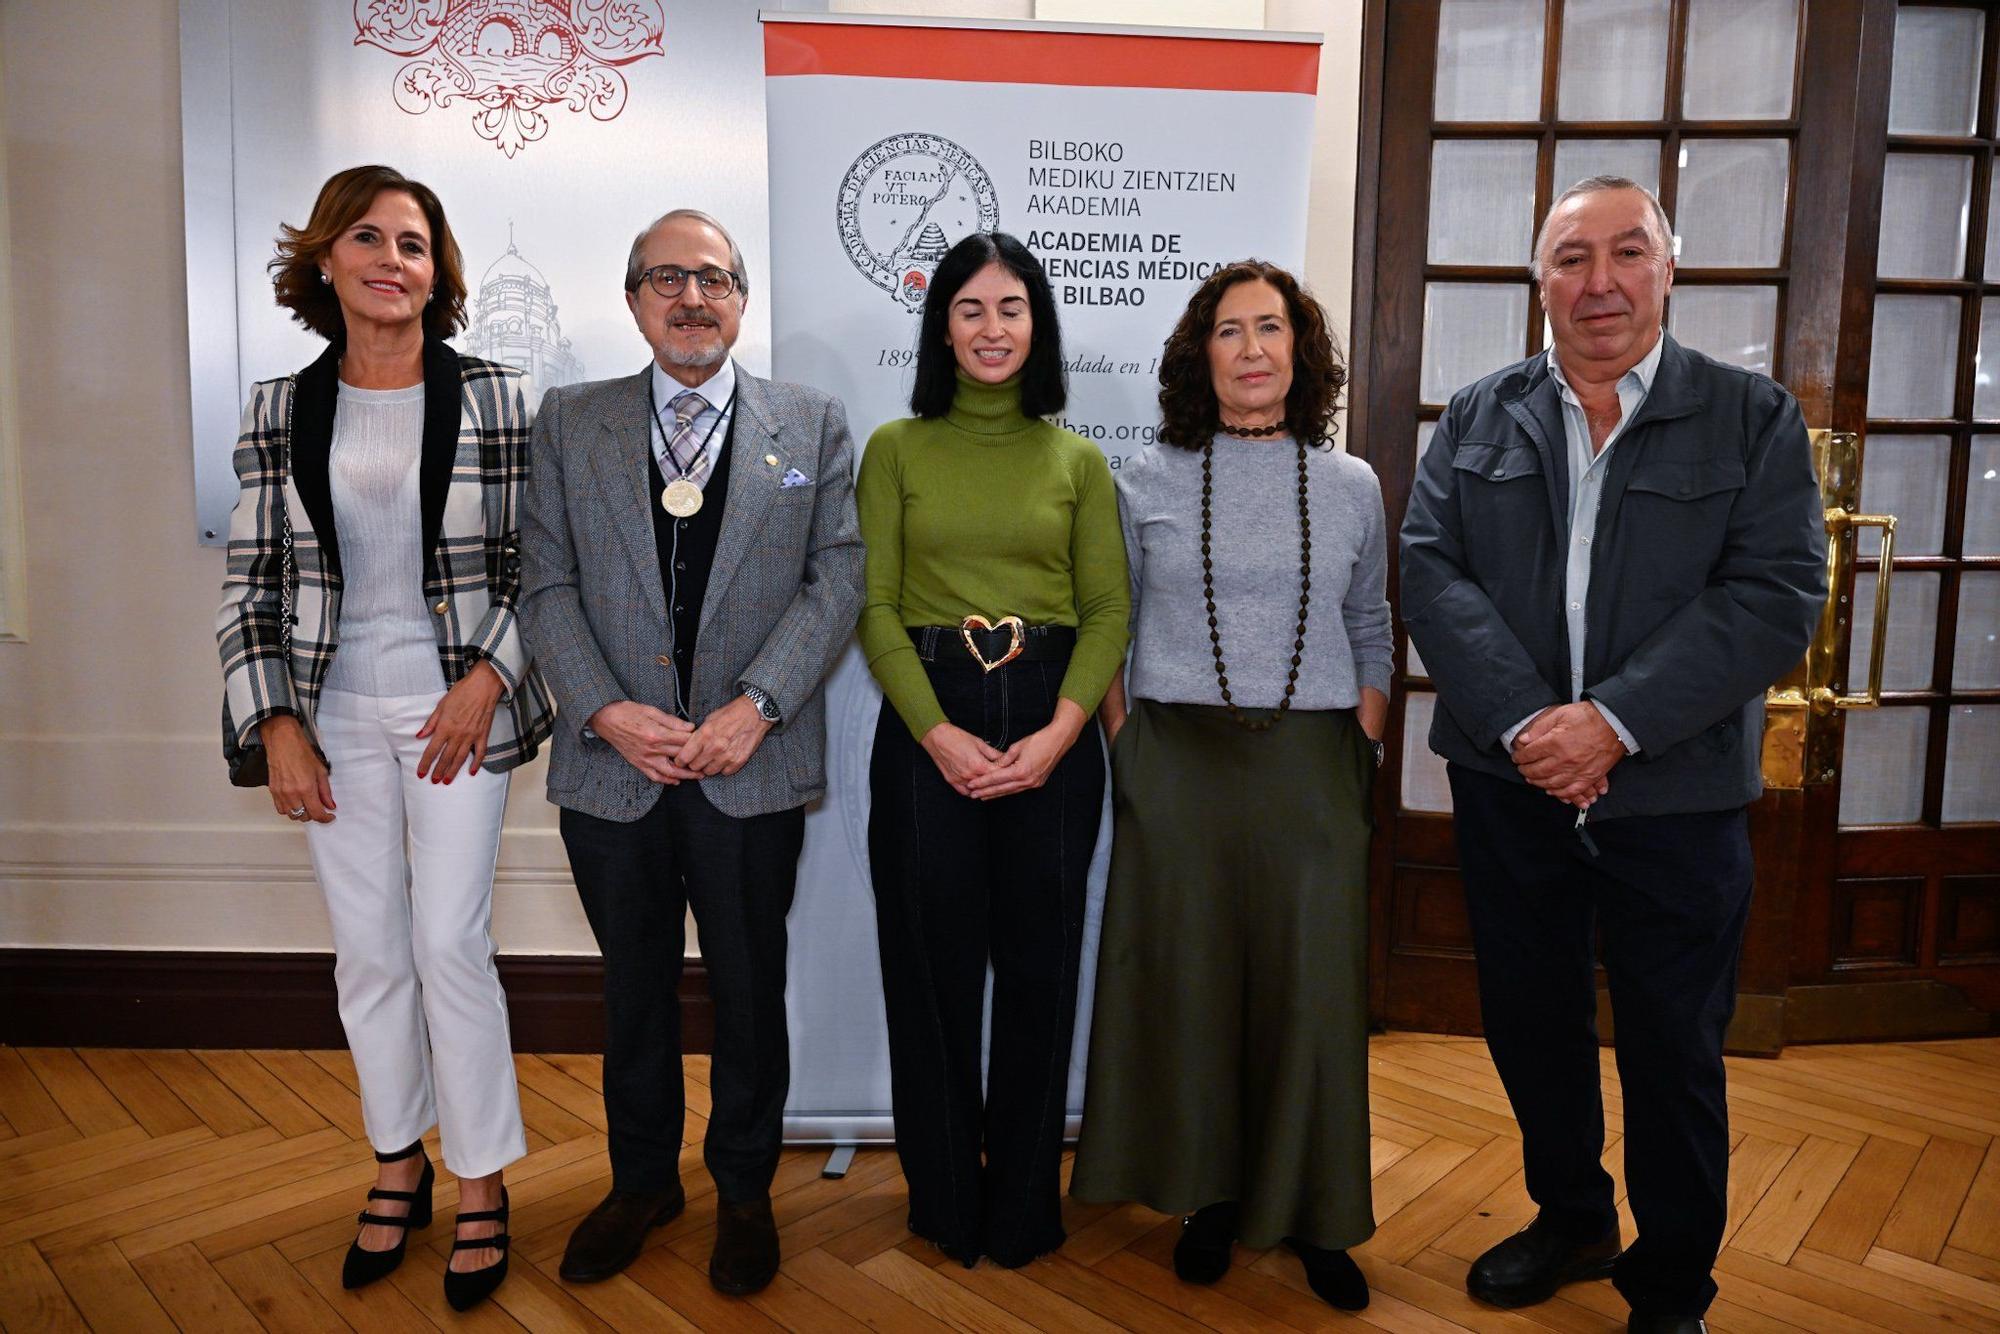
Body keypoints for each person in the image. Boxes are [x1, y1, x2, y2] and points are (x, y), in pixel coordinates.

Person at [1399, 177, 1826, 1334]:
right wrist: (1535, 724)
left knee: (1672, 1048)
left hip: (1675, 794)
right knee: (1529, 1023)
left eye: (1625, 252)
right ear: (1537, 282)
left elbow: (1776, 592)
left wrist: (1612, 722)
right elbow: (1429, 571)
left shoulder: (1751, 417)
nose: (1598, 282)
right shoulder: (1478, 414)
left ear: (1666, 268)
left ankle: (1672, 1280)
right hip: (1509, 784)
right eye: (1570, 258)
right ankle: (1571, 1215)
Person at [216, 164, 552, 1311]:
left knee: (451, 941)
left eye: (414, 244)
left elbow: (536, 570)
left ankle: (481, 1179)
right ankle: (395, 1159)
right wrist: (276, 725)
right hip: (331, 713)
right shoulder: (276, 407)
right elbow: (250, 581)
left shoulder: (503, 397)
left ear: (435, 271)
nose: (392, 261)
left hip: (457, 707)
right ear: (324, 260)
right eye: (368, 238)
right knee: (367, 950)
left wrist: (484, 680)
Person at [518, 208, 864, 1296]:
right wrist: (604, 708)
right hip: (611, 766)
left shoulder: (808, 423)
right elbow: (543, 582)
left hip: (745, 762)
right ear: (632, 300)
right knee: (634, 988)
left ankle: (745, 1187)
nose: (691, 296)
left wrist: (755, 705)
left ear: (741, 299)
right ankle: (640, 1182)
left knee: (748, 986)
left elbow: (837, 576)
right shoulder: (570, 421)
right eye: (666, 277)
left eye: (712, 277)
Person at [1070, 260, 1389, 1311]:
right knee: (1194, 989)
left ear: (1299, 350)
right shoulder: (1143, 478)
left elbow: (1369, 625)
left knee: (1311, 994)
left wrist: (1360, 738)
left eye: (1270, 328)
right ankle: (1207, 1196)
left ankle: (1315, 1209)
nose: (1251, 349)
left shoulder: (1351, 484)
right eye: (1227, 330)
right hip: (1179, 763)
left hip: (1308, 765)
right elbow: (1108, 624)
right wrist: (1131, 747)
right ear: (1196, 353)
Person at [856, 232, 1129, 1268]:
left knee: (1039, 969)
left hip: (1051, 715)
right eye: (968, 309)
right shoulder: (895, 447)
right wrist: (935, 730)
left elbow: (1106, 610)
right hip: (927, 715)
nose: (990, 328)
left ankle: (1021, 1201)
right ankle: (943, 1199)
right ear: (940, 326)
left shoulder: (1076, 459)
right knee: (930, 970)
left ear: (1037, 324)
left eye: (1010, 308)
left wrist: (1060, 732)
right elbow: (872, 607)